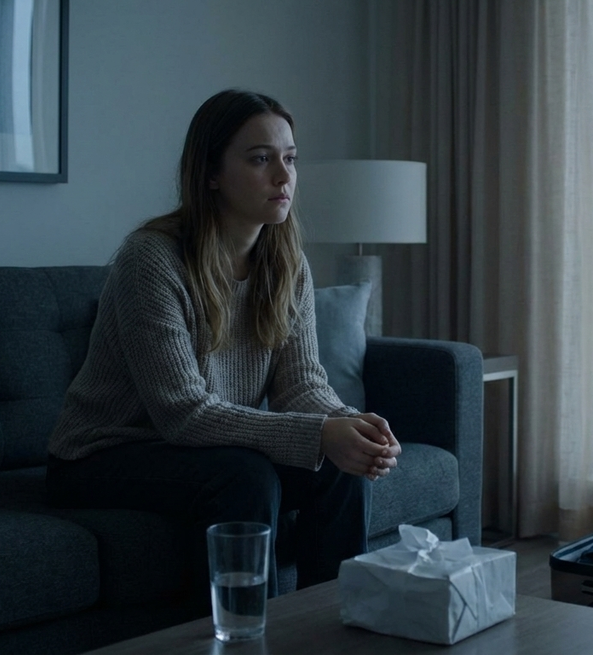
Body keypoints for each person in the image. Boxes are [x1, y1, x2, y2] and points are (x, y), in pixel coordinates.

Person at [46, 89, 400, 598]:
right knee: (245, 477)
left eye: (290, 159)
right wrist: (319, 434)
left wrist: (350, 427)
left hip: (202, 450)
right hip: (103, 455)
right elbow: (183, 414)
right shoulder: (152, 261)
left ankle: (333, 624)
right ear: (211, 173)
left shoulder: (286, 263)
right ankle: (245, 631)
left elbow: (300, 385)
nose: (283, 177)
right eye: (260, 159)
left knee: (340, 470)